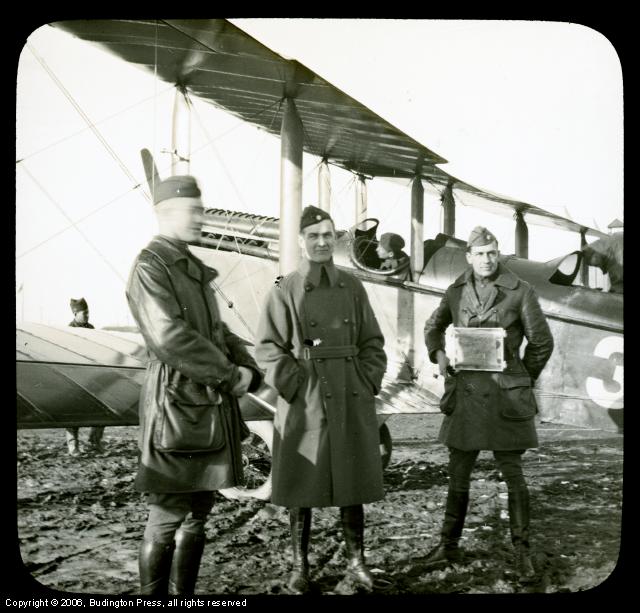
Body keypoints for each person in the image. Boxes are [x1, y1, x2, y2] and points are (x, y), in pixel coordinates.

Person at [125, 175, 263, 595]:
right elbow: (169, 338)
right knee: (168, 513)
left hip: (206, 403)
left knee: (199, 510)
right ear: (164, 214)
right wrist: (229, 374)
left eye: (202, 210)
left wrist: (250, 368)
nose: (201, 219)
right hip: (177, 406)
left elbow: (216, 331)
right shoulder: (152, 267)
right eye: (193, 212)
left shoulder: (191, 267)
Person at [255, 205, 387, 594]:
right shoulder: (284, 287)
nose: (322, 242)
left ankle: (357, 564)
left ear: (337, 238)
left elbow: (372, 342)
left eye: (328, 234)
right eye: (313, 236)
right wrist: (294, 386)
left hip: (350, 392)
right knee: (301, 482)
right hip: (305, 396)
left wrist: (366, 380)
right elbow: (267, 348)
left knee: (353, 480)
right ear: (301, 241)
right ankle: (300, 567)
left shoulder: (353, 286)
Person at [423, 226, 554, 582]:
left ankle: (522, 554)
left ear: (499, 254)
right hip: (465, 396)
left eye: (492, 253)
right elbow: (433, 328)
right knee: (458, 473)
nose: (487, 259)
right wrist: (439, 356)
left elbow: (541, 342)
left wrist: (519, 377)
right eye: (480, 254)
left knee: (513, 476)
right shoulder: (455, 292)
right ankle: (448, 545)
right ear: (469, 257)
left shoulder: (520, 292)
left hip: (504, 399)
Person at [66, 297, 104, 456]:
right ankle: (73, 447)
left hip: (91, 375)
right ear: (75, 313)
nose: (87, 315)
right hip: (75, 376)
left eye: (88, 312)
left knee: (101, 412)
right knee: (72, 413)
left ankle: (93, 443)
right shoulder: (69, 329)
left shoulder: (91, 328)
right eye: (85, 313)